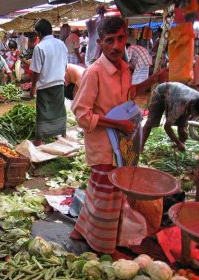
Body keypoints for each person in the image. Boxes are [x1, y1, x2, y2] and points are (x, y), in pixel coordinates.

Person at [70, 16, 167, 255]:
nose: (116, 45)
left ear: (127, 38)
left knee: (96, 190)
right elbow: (81, 113)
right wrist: (117, 124)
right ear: (100, 43)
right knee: (109, 195)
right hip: (104, 144)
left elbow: (130, 93)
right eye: (109, 40)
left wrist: (154, 79)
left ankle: (79, 230)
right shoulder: (94, 72)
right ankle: (105, 247)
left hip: (120, 144)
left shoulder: (124, 67)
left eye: (120, 39)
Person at [30, 19, 68, 146]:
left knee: (43, 112)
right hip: (59, 83)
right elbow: (65, 64)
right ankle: (61, 134)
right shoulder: (61, 44)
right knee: (59, 110)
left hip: (45, 85)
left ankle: (39, 140)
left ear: (39, 33)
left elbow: (36, 71)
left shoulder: (39, 47)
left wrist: (33, 87)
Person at [142, 82, 199, 152]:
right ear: (192, 106)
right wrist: (177, 142)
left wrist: (183, 126)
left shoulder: (197, 99)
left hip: (178, 94)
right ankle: (140, 146)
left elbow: (184, 121)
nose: (195, 115)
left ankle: (180, 145)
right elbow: (167, 127)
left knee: (183, 128)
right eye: (195, 113)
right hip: (161, 92)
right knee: (151, 122)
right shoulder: (180, 106)